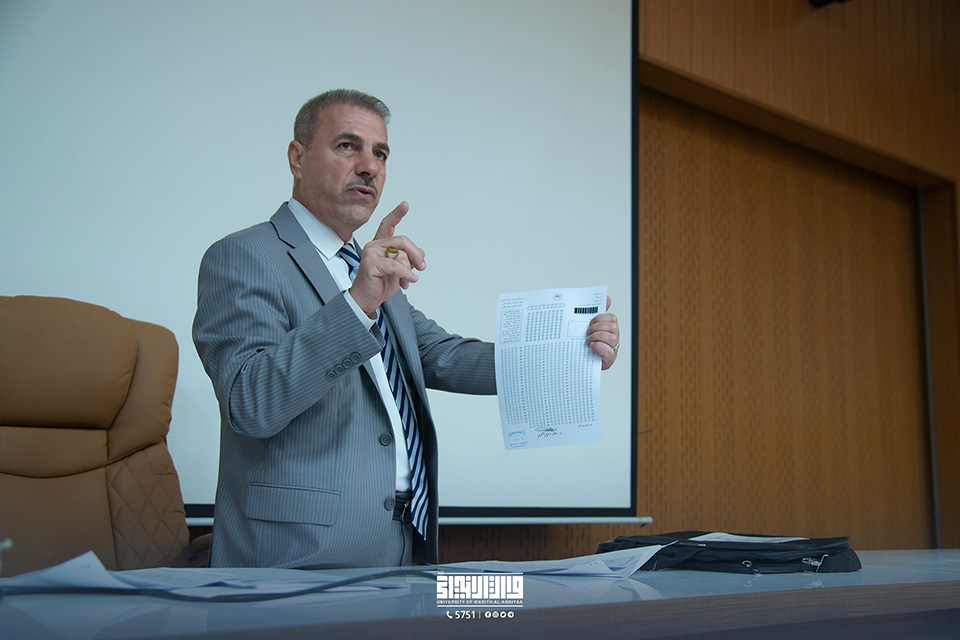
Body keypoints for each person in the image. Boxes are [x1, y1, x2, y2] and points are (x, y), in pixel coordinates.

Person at [192, 89, 620, 569]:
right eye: (347, 146)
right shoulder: (245, 256)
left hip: (403, 546)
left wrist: (572, 352)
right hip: (295, 559)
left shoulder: (366, 265)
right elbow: (250, 402)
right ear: (297, 157)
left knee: (505, 600)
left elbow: (443, 355)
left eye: (381, 154)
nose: (369, 167)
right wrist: (358, 303)